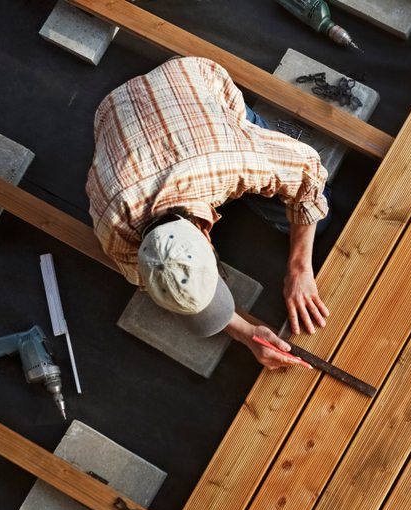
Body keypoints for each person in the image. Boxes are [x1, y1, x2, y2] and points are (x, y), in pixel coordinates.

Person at [86, 56, 331, 369]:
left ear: (206, 230)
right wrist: (248, 334)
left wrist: (299, 269)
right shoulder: (112, 229)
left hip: (188, 81)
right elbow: (152, 282)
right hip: (113, 113)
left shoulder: (230, 160)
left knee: (317, 215)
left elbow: (308, 171)